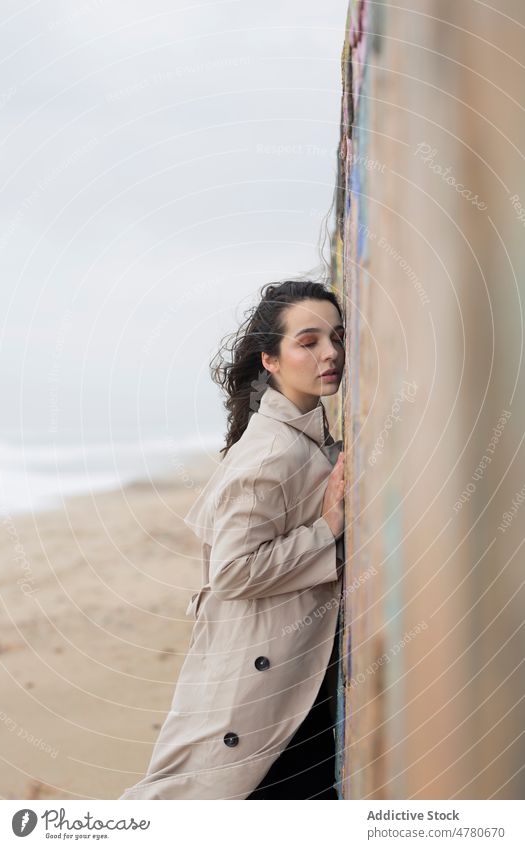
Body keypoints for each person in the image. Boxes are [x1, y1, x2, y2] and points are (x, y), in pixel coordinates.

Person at [119, 279, 346, 800]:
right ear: (271, 359)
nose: (330, 353)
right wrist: (328, 528)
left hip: (286, 675)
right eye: (308, 342)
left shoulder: (298, 436)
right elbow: (232, 570)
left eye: (337, 336)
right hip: (263, 692)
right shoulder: (272, 453)